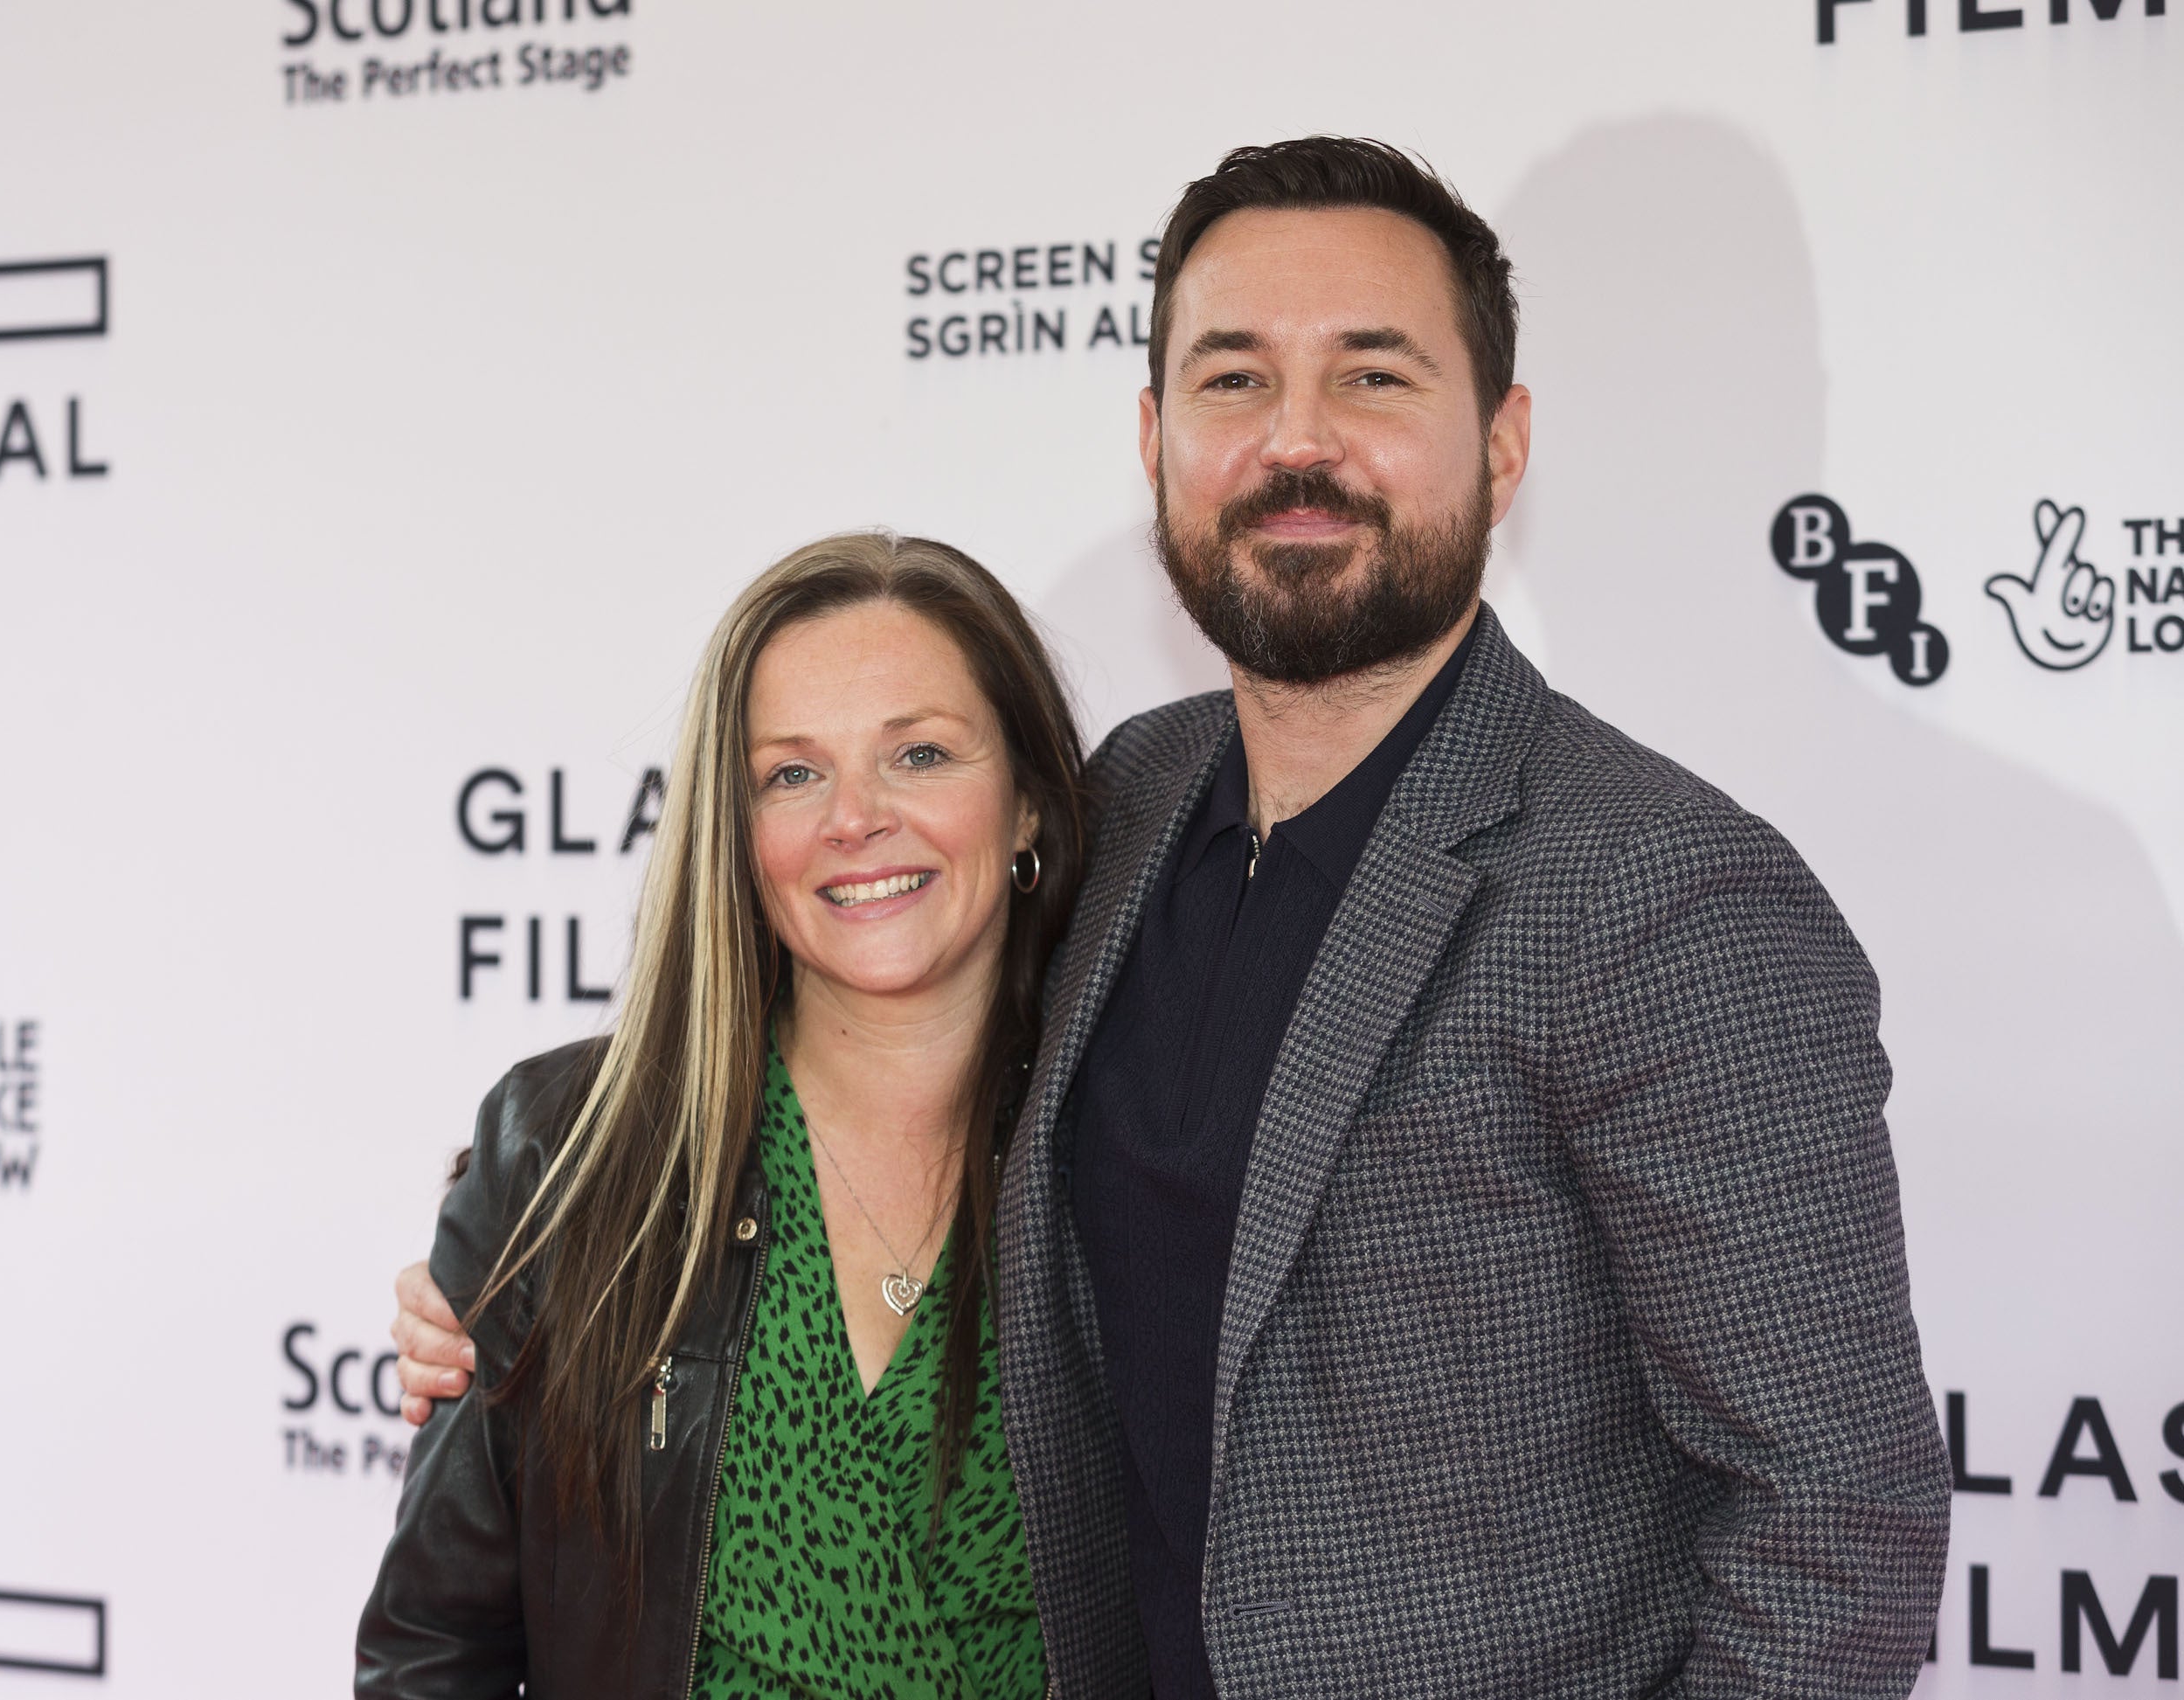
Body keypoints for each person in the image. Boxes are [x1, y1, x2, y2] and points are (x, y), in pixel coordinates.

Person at [391, 139, 1951, 1697]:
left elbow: (1836, 1523)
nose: (1295, 442)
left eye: (1373, 378)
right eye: (1230, 381)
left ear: (1504, 437)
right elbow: (871, 1034)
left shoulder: (1662, 895)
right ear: (1152, 438)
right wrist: (537, 1217)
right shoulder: (1132, 802)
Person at [355, 531, 1086, 1697]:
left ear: (1029, 808)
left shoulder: (1132, 1155)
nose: (855, 816)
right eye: (791, 773)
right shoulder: (569, 1155)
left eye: (922, 752)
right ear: (736, 835)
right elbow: (433, 1654)